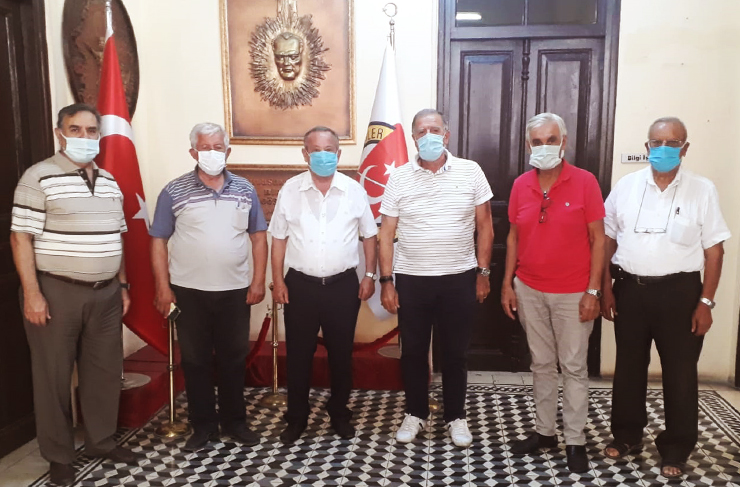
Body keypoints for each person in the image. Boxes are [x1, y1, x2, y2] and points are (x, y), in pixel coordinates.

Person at [10, 103, 139, 486]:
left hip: (106, 294)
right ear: (60, 133)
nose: (85, 137)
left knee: (103, 372)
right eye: (75, 129)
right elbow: (21, 238)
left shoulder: (110, 180)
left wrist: (123, 285)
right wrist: (32, 294)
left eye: (91, 130)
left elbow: (116, 236)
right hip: (56, 291)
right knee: (53, 377)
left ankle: (101, 441)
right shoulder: (38, 177)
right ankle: (59, 456)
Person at [600, 117, 730, 479]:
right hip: (630, 290)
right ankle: (627, 435)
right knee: (628, 367)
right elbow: (607, 239)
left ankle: (676, 446)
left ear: (684, 149)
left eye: (672, 143)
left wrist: (706, 302)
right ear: (647, 147)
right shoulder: (626, 186)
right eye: (657, 143)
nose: (663, 149)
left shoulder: (702, 190)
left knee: (680, 374)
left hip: (680, 295)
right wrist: (606, 287)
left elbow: (715, 251)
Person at [378, 108, 493, 448]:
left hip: (459, 278)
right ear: (413, 138)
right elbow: (386, 233)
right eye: (421, 131)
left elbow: (485, 225)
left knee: (456, 353)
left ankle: (456, 416)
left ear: (447, 134)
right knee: (413, 352)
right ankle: (415, 413)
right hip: (412, 280)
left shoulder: (471, 171)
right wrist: (386, 281)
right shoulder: (399, 177)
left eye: (435, 129)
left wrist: (483, 272)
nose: (428, 136)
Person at [150, 122, 268, 452]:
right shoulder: (173, 191)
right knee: (195, 361)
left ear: (228, 151)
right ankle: (202, 426)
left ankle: (235, 422)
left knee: (234, 359)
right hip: (188, 292)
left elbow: (259, 237)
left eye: (218, 147)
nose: (212, 153)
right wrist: (162, 288)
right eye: (205, 147)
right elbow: (158, 241)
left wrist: (258, 281)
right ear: (193, 152)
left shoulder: (245, 189)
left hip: (235, 291)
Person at [501, 113, 605, 473]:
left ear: (564, 143)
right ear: (528, 145)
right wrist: (507, 283)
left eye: (551, 140)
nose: (544, 147)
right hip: (529, 289)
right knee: (541, 364)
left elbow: (599, 240)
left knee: (574, 367)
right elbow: (513, 237)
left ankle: (575, 439)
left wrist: (594, 291)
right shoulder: (520, 185)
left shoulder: (585, 182)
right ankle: (545, 432)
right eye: (537, 141)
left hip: (574, 293)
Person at [269, 126, 378, 444]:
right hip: (300, 286)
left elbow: (370, 236)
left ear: (338, 153)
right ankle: (296, 417)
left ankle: (339, 414)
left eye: (329, 150)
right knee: (298, 356)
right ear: (305, 154)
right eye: (315, 150)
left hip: (342, 286)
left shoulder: (353, 190)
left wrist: (369, 275)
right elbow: (278, 239)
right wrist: (278, 280)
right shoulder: (290, 189)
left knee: (341, 356)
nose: (322, 155)